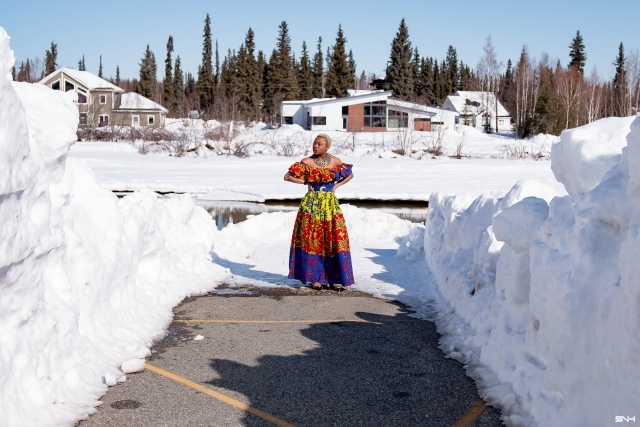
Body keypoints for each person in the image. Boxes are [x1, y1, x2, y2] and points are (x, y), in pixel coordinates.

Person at [283, 133, 354, 290]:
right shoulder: (307, 162)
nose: (315, 146)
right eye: (314, 143)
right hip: (312, 204)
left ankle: (331, 278)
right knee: (313, 240)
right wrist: (307, 181)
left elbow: (350, 174)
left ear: (327, 146)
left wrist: (335, 186)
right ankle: (314, 279)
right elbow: (287, 176)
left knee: (331, 238)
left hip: (330, 204)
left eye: (319, 144)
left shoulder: (335, 161)